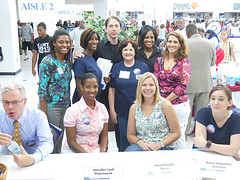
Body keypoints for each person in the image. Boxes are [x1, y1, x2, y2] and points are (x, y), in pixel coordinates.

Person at [109, 38, 150, 152]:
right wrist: (112, 110)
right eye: (125, 50)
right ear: (121, 52)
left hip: (140, 110)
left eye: (130, 50)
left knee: (140, 139)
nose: (128, 52)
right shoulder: (116, 67)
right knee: (123, 138)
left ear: (135, 52)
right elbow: (111, 90)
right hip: (121, 111)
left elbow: (149, 88)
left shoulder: (143, 67)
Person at [0, 82, 53, 167]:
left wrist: (32, 159)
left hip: (35, 160)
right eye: (6, 102)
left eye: (15, 102)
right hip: (10, 162)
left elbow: (47, 143)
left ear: (24, 102)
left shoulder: (37, 116)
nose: (10, 107)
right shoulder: (1, 117)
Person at [153, 32, 190, 149]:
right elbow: (155, 82)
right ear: (166, 43)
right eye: (169, 41)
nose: (172, 44)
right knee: (162, 137)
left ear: (180, 44)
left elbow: (182, 86)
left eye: (175, 42)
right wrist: (159, 101)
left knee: (178, 137)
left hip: (178, 105)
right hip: (160, 103)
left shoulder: (184, 62)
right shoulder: (159, 60)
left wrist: (165, 102)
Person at [125, 72, 180, 151]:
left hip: (162, 146)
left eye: (151, 85)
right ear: (139, 88)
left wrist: (159, 145)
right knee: (129, 153)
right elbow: (130, 135)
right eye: (144, 85)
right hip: (142, 146)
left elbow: (176, 133)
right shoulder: (134, 108)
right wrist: (139, 142)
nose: (147, 88)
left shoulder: (165, 105)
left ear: (156, 87)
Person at [38, 29, 72, 153]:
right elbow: (42, 90)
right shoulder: (47, 62)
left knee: (59, 139)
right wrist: (44, 115)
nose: (65, 45)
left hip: (65, 106)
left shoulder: (67, 61)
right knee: (50, 140)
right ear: (54, 43)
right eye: (61, 42)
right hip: (51, 107)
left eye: (67, 42)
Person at [62, 73, 108, 153]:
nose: (92, 90)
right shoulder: (72, 111)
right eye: (88, 87)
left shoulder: (102, 108)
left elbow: (104, 136)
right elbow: (71, 142)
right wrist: (88, 157)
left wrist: (102, 153)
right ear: (81, 87)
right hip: (74, 151)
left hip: (95, 150)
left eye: (95, 87)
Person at [193, 85, 240, 160]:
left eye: (221, 99)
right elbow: (200, 145)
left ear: (230, 102)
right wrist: (228, 151)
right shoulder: (203, 113)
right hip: (203, 156)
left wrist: (206, 144)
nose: (216, 103)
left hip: (225, 159)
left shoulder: (236, 118)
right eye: (213, 99)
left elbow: (234, 150)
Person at [185, 24, 216, 135]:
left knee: (186, 113)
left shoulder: (184, 44)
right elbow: (213, 62)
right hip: (205, 83)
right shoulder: (210, 44)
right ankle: (201, 136)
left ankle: (185, 136)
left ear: (188, 33)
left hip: (188, 85)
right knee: (202, 113)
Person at [72, 28, 102, 104]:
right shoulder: (81, 60)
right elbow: (79, 87)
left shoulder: (92, 58)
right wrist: (86, 105)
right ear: (85, 41)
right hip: (84, 104)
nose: (94, 42)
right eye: (91, 39)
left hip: (93, 101)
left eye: (96, 39)